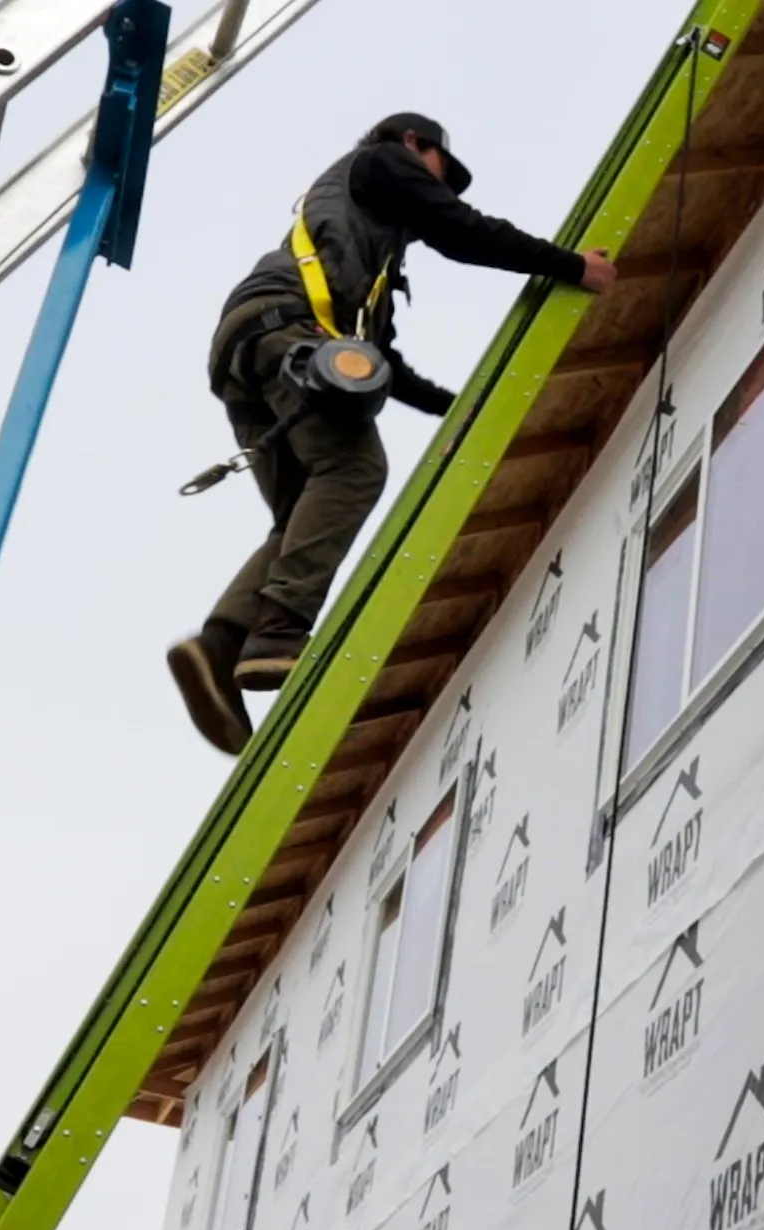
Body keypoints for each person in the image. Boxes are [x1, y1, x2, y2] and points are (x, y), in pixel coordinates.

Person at [167, 113, 619, 755]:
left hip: (250, 347)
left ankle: (219, 647)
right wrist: (570, 266)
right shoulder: (382, 163)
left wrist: (455, 408)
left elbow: (387, 361)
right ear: (414, 144)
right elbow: (462, 232)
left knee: (305, 515)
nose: (443, 189)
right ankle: (279, 631)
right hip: (286, 332)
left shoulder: (366, 250)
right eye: (442, 172)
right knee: (354, 472)